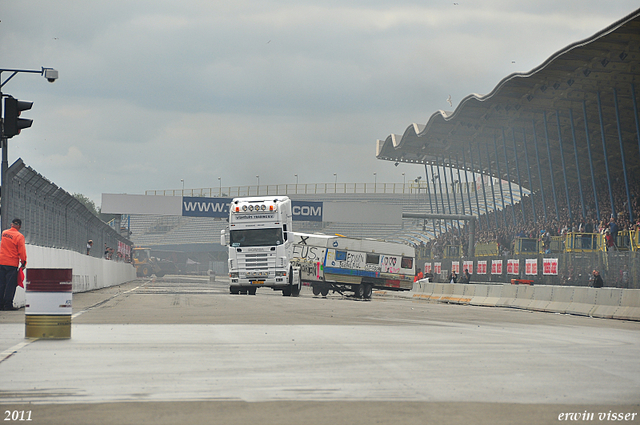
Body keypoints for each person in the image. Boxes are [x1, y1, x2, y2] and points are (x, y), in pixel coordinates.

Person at [0, 218, 27, 311]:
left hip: (1, 261)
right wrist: (23, 262)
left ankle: (0, 305)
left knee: (1, 283)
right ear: (19, 226)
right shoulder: (19, 236)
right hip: (11, 263)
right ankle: (7, 305)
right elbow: (22, 250)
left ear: (11, 224)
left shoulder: (4, 233)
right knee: (10, 285)